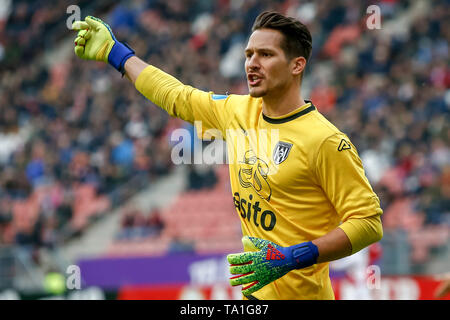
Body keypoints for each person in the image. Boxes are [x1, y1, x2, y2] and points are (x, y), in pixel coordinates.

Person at [71, 11, 383, 300]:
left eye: (266, 54)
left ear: (296, 65)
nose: (252, 63)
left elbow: (368, 223)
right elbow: (175, 96)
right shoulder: (237, 111)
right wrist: (116, 52)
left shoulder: (325, 140)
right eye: (249, 55)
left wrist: (294, 257)